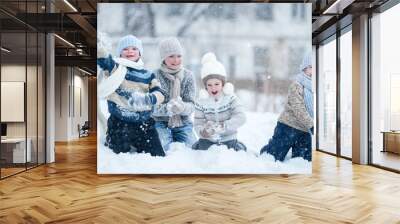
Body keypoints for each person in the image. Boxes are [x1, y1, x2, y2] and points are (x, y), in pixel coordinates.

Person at [97, 35, 166, 156]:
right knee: (117, 154)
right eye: (125, 49)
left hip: (144, 122)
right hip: (120, 121)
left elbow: (160, 93)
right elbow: (104, 60)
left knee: (157, 154)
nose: (130, 51)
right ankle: (114, 141)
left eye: (134, 48)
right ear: (119, 53)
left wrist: (148, 98)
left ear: (140, 53)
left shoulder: (148, 75)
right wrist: (100, 48)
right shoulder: (115, 68)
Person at [260, 54, 314, 162]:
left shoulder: (315, 87)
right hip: (288, 127)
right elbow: (298, 109)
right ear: (304, 68)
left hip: (304, 131)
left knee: (303, 160)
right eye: (311, 67)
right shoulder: (297, 85)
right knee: (274, 156)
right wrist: (312, 125)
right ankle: (269, 149)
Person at [192, 52, 246, 151]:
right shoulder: (201, 102)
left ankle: (239, 146)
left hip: (228, 138)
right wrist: (203, 132)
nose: (213, 88)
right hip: (208, 140)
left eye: (217, 84)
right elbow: (197, 123)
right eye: (209, 85)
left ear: (223, 84)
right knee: (201, 150)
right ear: (205, 86)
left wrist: (224, 126)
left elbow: (241, 117)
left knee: (234, 150)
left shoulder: (230, 98)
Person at [152, 37, 197, 151]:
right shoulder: (154, 76)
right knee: (162, 148)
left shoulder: (188, 76)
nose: (176, 60)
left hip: (183, 122)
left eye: (179, 56)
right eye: (171, 56)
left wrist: (182, 108)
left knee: (193, 149)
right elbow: (150, 107)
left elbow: (192, 105)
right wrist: (167, 109)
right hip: (160, 122)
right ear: (163, 58)